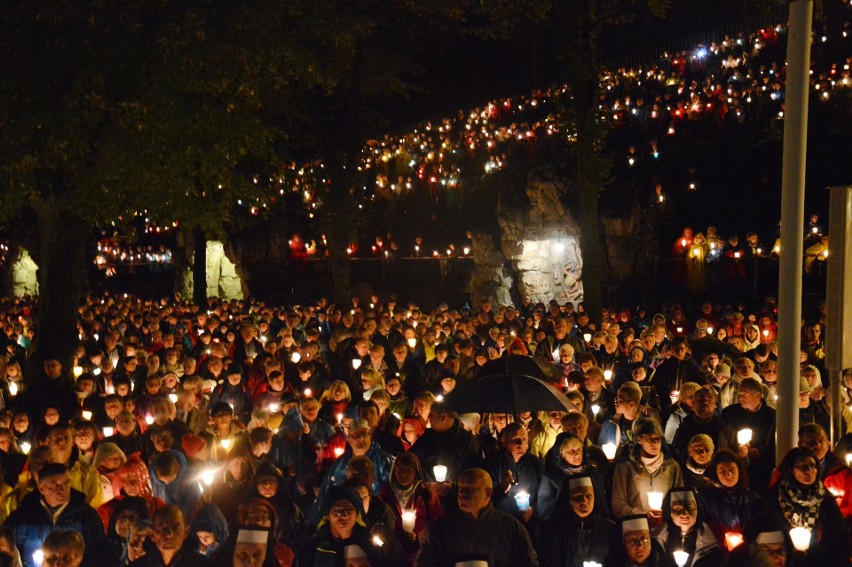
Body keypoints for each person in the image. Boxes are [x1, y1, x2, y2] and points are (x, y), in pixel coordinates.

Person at [414, 468, 539, 567]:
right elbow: (424, 562)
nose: (462, 494)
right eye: (461, 488)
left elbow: (528, 562)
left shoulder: (511, 528)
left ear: (488, 493)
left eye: (470, 489)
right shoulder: (440, 529)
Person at [758, 447, 850, 566]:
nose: (809, 471)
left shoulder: (825, 499)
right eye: (802, 466)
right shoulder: (775, 497)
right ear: (791, 469)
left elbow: (838, 536)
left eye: (813, 466)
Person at [5, 463, 106, 567]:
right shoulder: (22, 517)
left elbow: (99, 554)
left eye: (66, 483)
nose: (62, 490)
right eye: (54, 486)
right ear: (41, 488)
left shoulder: (86, 516)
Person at [294, 485, 404, 567]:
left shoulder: (371, 548)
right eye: (337, 511)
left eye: (349, 509)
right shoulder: (312, 552)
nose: (344, 515)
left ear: (357, 514)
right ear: (327, 515)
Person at [611, 419, 683, 520]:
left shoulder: (672, 467)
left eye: (658, 439)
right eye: (650, 438)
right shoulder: (625, 467)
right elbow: (618, 504)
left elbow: (679, 499)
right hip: (636, 525)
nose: (655, 443)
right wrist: (641, 514)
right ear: (639, 439)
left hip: (665, 526)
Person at [377, 452, 443, 563]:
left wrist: (419, 535)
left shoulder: (426, 495)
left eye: (409, 471)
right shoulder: (385, 495)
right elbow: (380, 523)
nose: (404, 475)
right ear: (394, 472)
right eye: (400, 471)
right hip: (392, 555)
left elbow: (438, 524)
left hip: (420, 554)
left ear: (416, 473)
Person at [538, 474, 616, 567]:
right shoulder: (555, 532)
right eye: (578, 497)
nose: (584, 502)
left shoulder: (609, 529)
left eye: (588, 496)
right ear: (569, 500)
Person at [652, 488, 721, 567]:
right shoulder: (656, 541)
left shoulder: (710, 547)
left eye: (690, 507)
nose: (684, 513)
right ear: (669, 511)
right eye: (678, 508)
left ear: (697, 510)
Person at [128, 505, 209, 566]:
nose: (169, 535)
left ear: (185, 532)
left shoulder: (203, 564)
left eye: (175, 528)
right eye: (163, 529)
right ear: (152, 535)